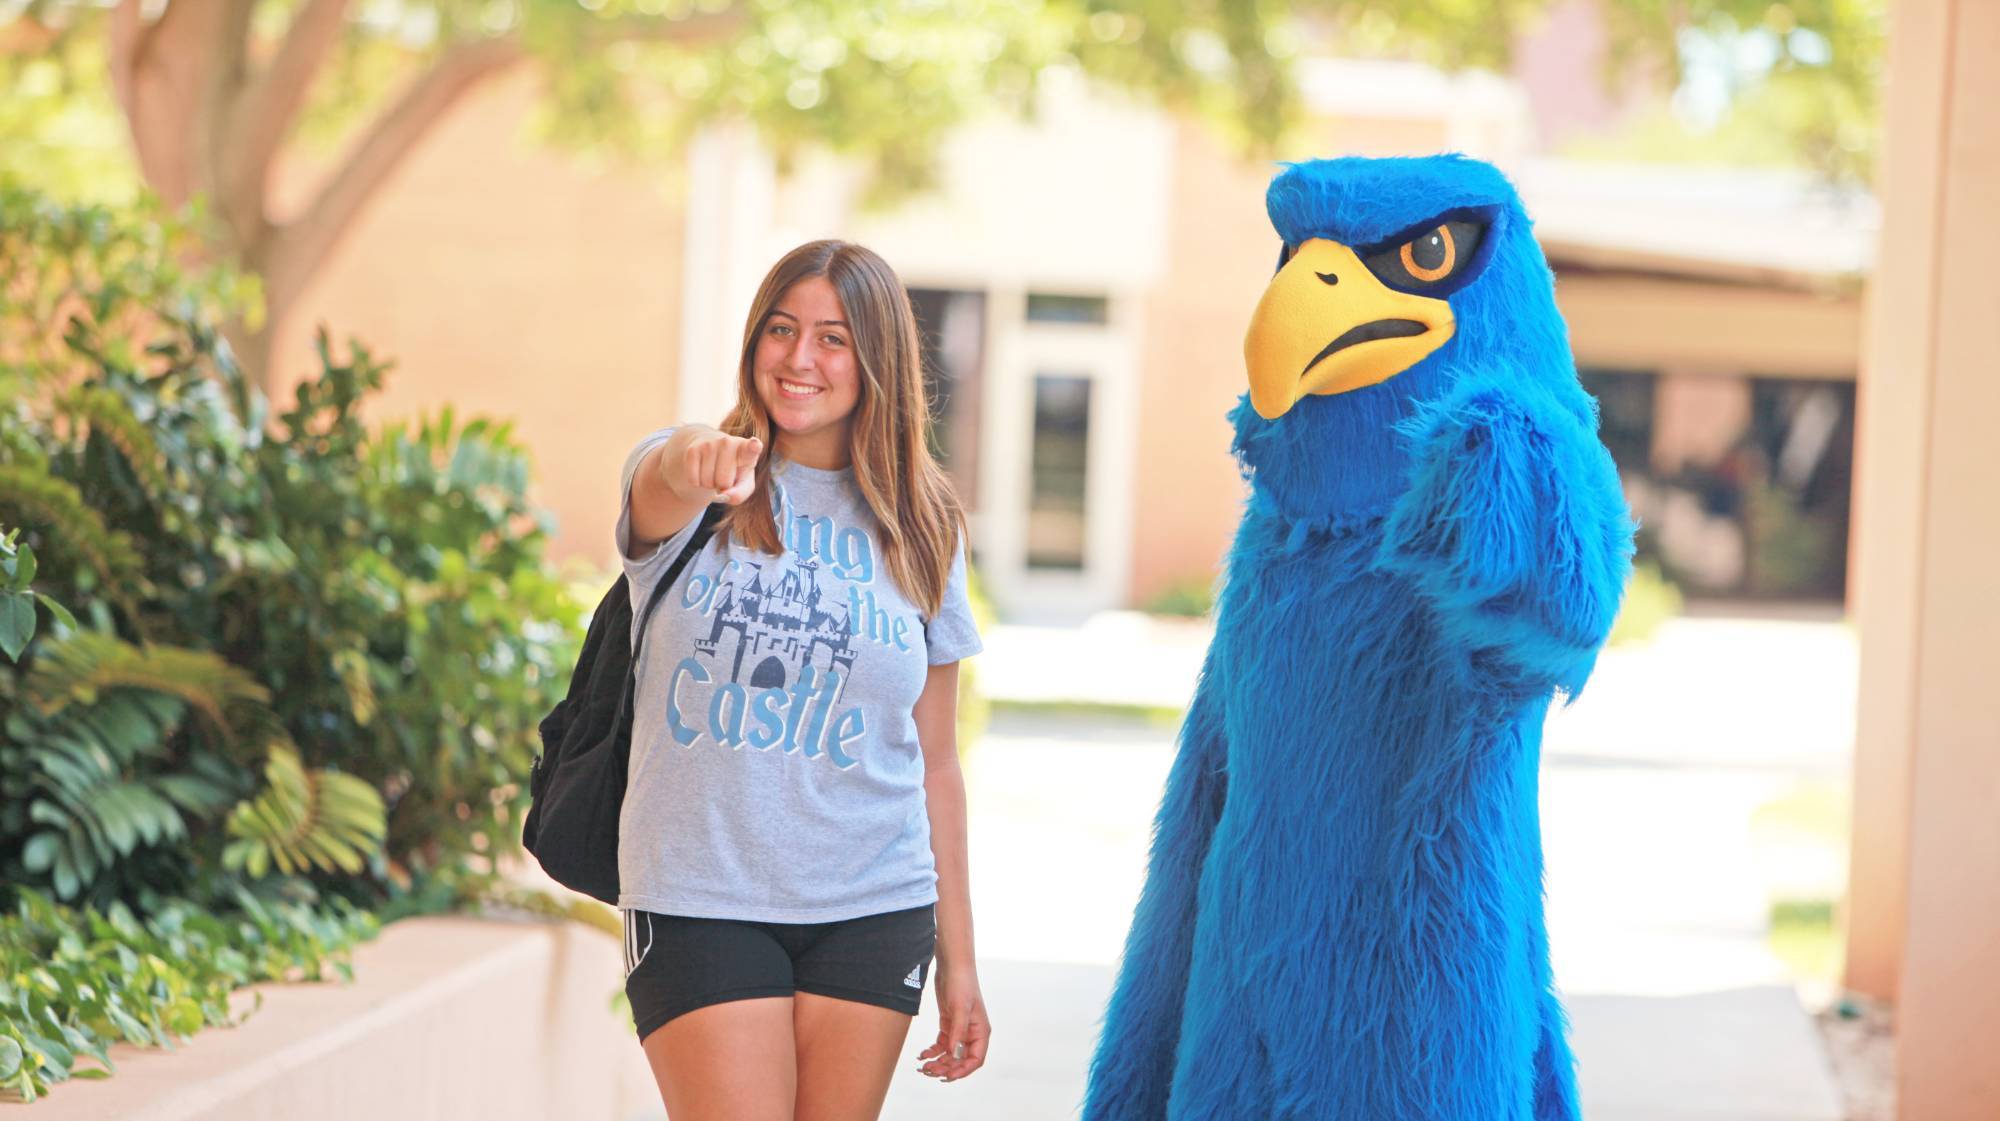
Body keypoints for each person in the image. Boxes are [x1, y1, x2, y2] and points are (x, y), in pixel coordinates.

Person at [612, 239, 990, 1121]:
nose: (798, 358)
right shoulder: (696, 477)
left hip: (874, 902)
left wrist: (960, 961)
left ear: (876, 361)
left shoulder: (926, 523)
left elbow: (938, 762)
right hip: (700, 893)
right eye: (781, 330)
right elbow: (659, 480)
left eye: (832, 338)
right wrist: (694, 459)